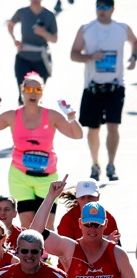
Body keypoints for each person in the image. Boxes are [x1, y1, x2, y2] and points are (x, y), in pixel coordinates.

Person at [0, 72, 82, 228]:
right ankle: (31, 253)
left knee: (47, 224)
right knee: (27, 223)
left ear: (42, 93)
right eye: (29, 90)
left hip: (47, 177)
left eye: (37, 90)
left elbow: (77, 135)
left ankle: (47, 253)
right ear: (22, 91)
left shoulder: (52, 115)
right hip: (20, 176)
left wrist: (72, 118)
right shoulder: (12, 115)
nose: (33, 94)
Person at [70, 0, 137, 182]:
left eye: (105, 7)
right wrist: (91, 56)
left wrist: (133, 58)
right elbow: (74, 53)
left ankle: (111, 164)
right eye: (99, 6)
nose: (102, 10)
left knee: (113, 126)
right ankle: (95, 163)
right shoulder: (87, 29)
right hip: (93, 86)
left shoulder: (122, 29)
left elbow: (135, 42)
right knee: (93, 129)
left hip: (115, 85)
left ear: (113, 9)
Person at [8, 1, 57, 100]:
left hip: (41, 59)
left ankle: (36, 114)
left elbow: (55, 39)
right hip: (23, 57)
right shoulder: (22, 12)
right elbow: (10, 24)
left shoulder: (49, 15)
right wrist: (15, 39)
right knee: (23, 94)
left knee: (36, 95)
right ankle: (20, 113)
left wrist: (44, 33)